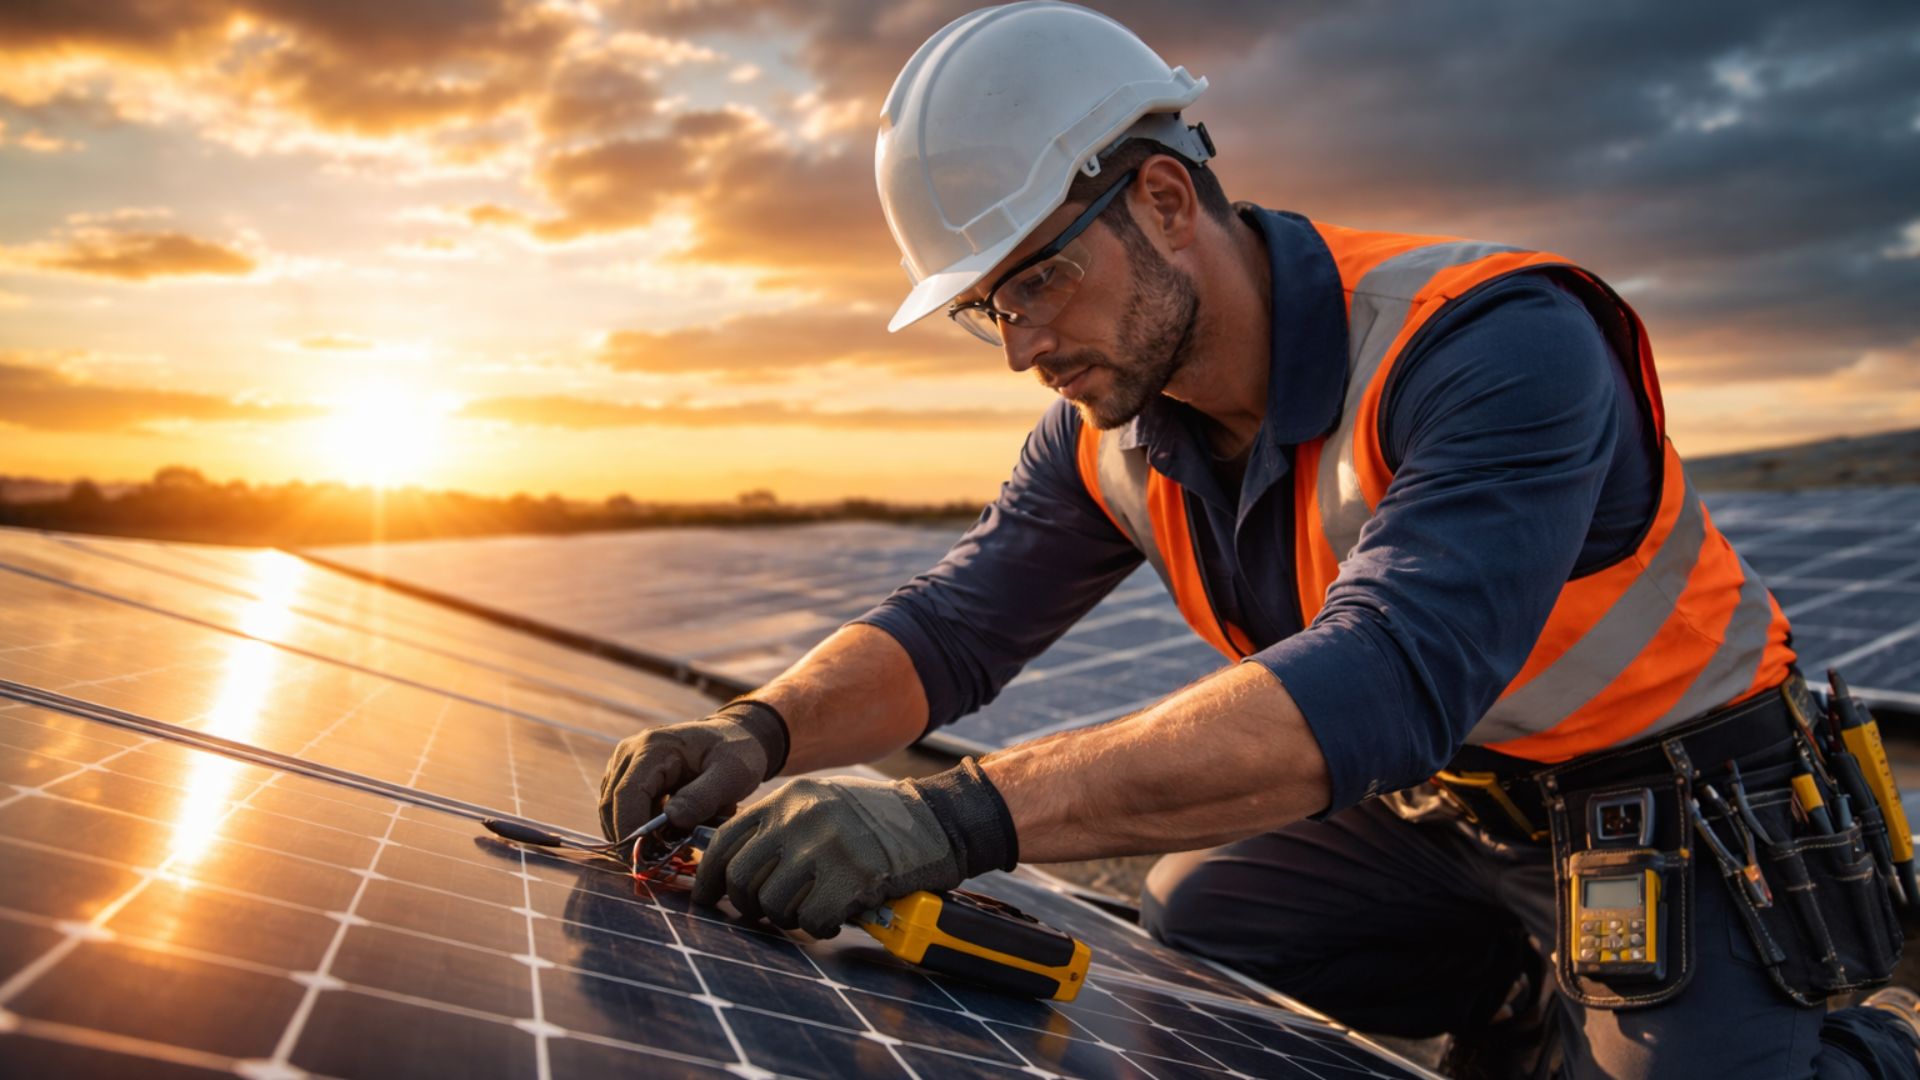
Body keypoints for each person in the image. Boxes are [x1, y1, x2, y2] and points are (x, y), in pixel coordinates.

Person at [598, 3, 1917, 1075]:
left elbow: (1388, 677)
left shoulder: (1490, 342)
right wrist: (755, 731)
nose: (1019, 347)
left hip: (1675, 798)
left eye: (1038, 278)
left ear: (1167, 202)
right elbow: (958, 623)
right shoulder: (1112, 430)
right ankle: (1526, 1013)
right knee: (1203, 915)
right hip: (1446, 809)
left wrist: (959, 815)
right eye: (984, 308)